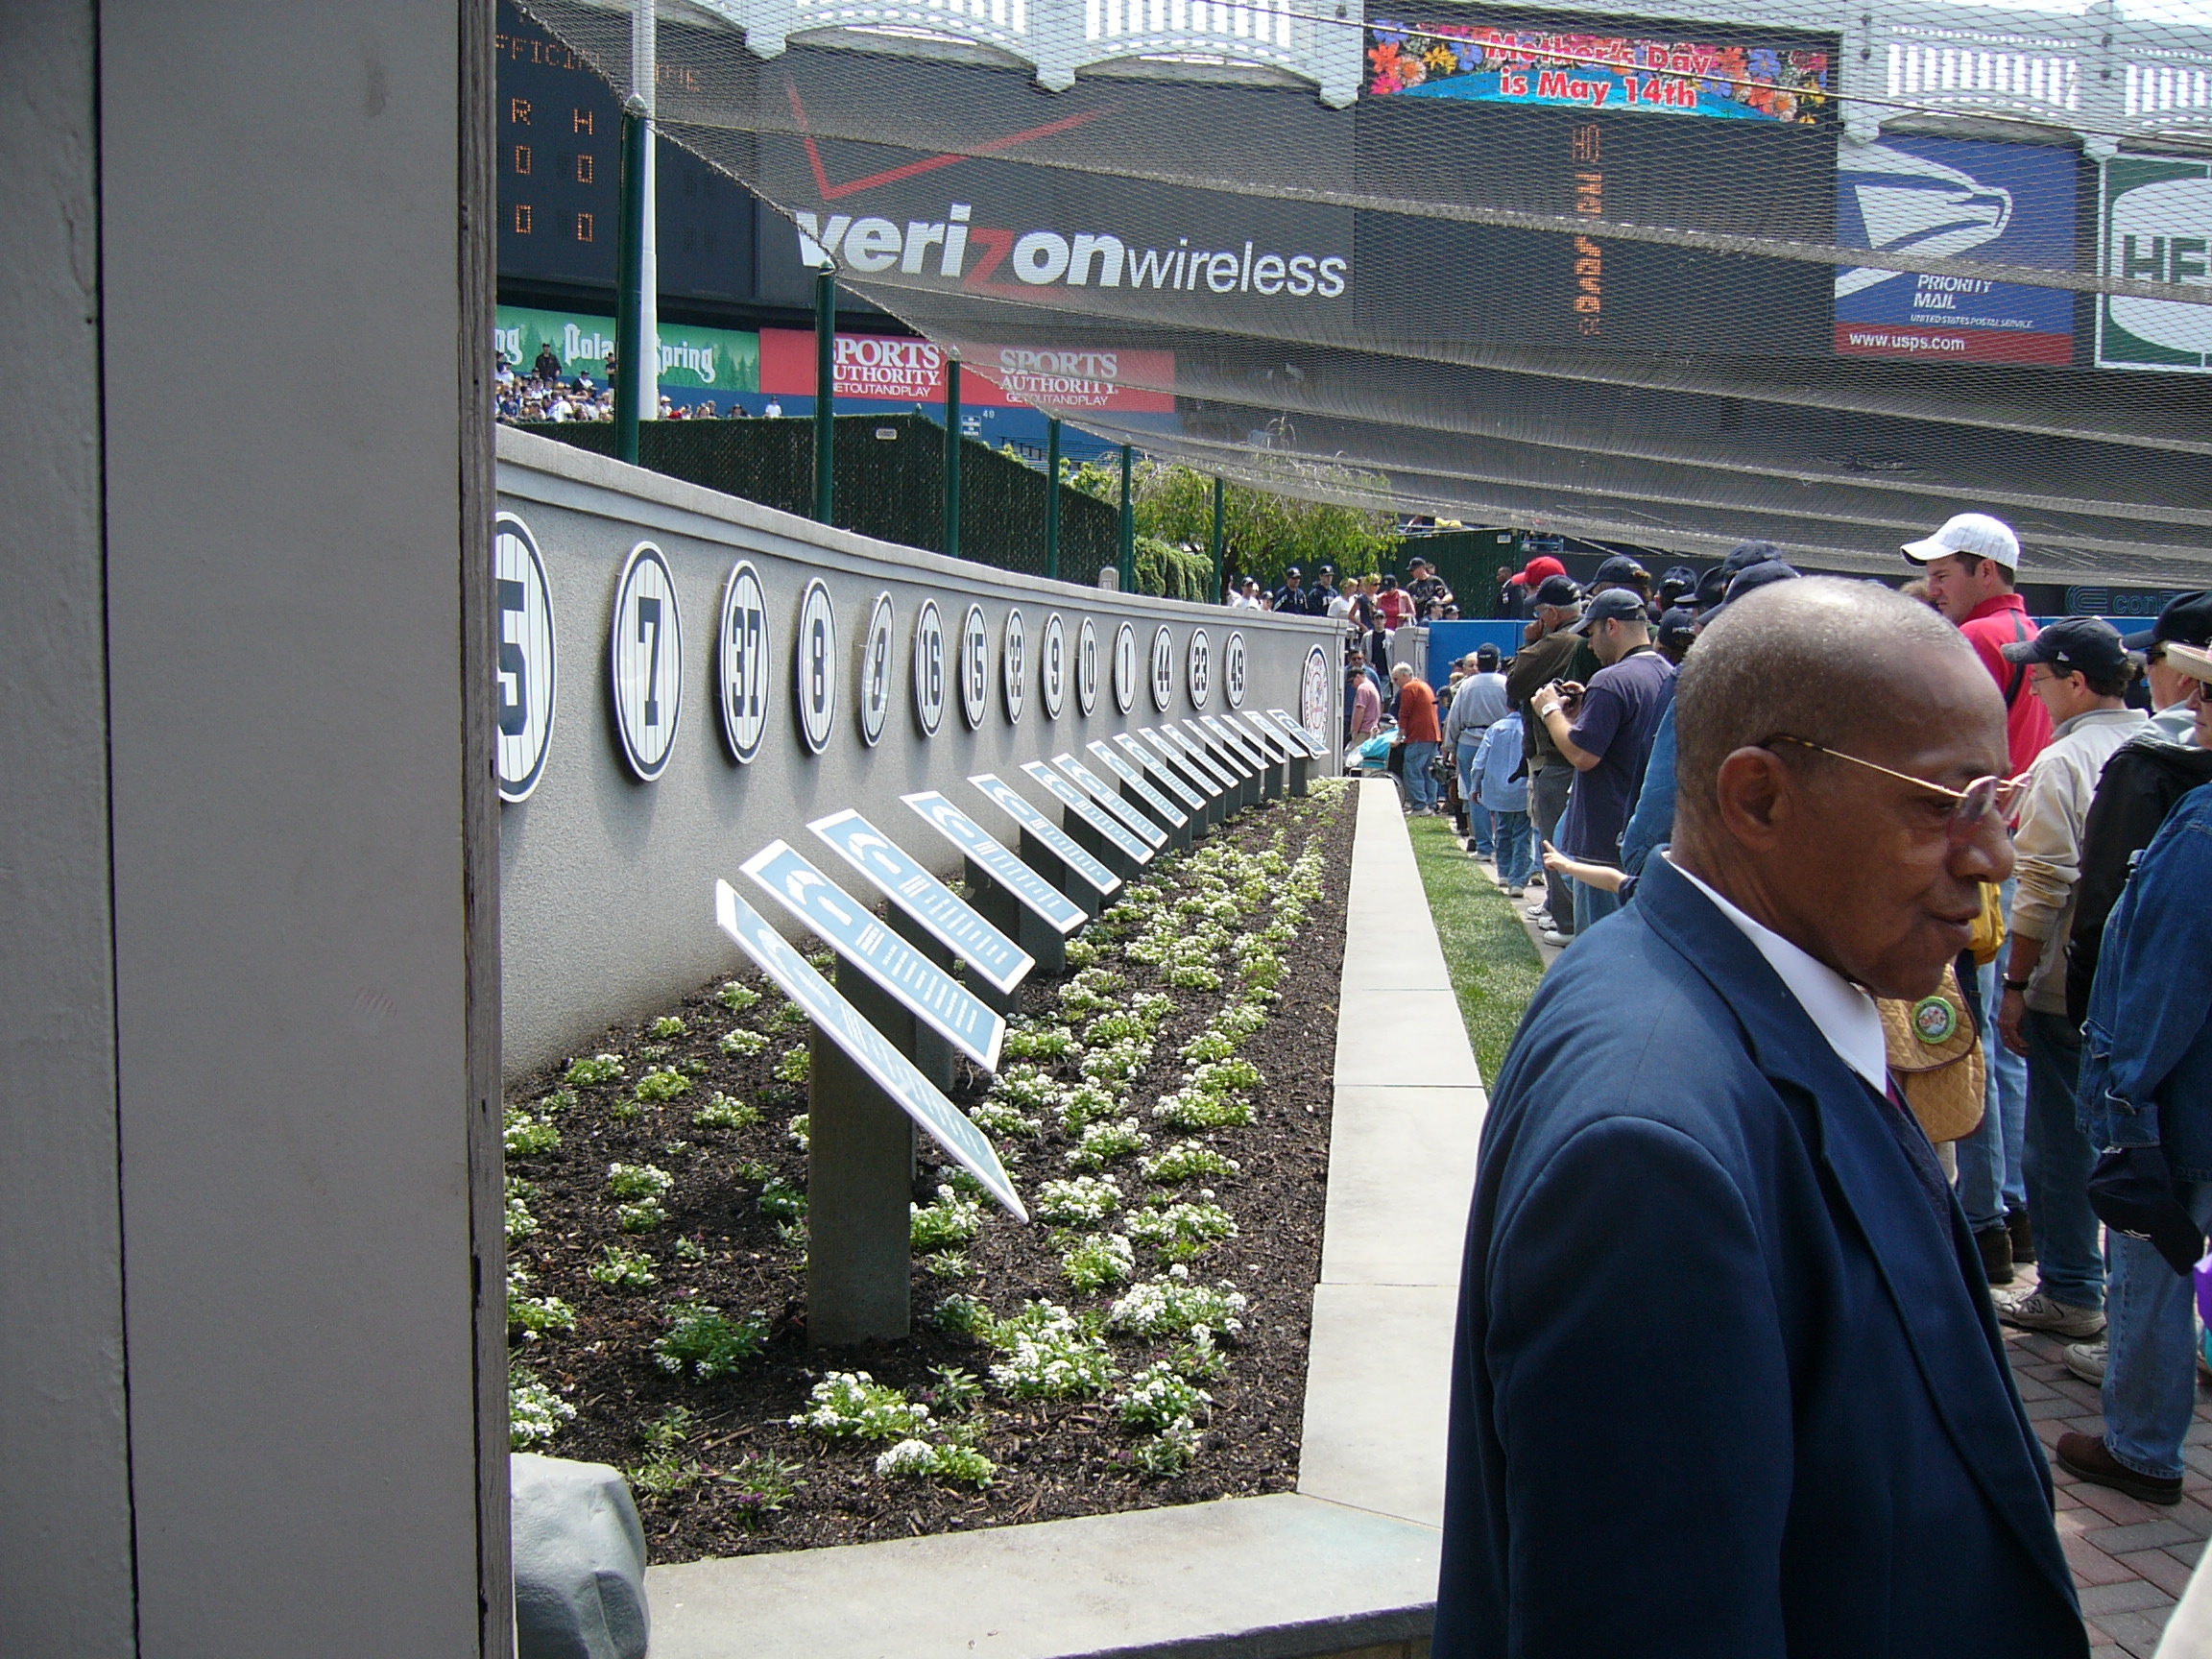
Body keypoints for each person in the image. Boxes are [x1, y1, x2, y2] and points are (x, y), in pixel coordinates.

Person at [1433, 577, 2084, 1659]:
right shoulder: (1649, 1157)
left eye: (1996, 802)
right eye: (1942, 805)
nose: (1992, 859)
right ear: (1761, 798)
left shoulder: (1729, 986)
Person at [2060, 640, 2212, 1505]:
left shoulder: (2202, 824)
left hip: (2184, 1101)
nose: (2195, 708)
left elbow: (2166, 981)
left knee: (2151, 1270)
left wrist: (2126, 1106)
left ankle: (2144, 1448)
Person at [1985, 617, 2147, 1341]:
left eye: (2042, 678)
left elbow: (2043, 887)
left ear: (2077, 682)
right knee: (2130, 1144)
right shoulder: (2162, 741)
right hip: (2138, 985)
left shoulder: (2065, 760)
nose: (2036, 692)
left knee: (2059, 1143)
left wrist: (2016, 985)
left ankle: (2072, 1289)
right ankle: (2115, 1293)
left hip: (2066, 983)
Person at [1909, 513, 2047, 1285]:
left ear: (1985, 571)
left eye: (1943, 573)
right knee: (1996, 1042)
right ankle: (2014, 1210)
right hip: (2015, 855)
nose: (1934, 588)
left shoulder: (1975, 641)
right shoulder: (2031, 635)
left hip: (1971, 856)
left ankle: (1984, 1220)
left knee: (1962, 1038)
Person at [2064, 591, 2212, 1032]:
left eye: (2154, 658)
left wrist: (2090, 1016)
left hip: (2148, 1024)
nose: (2146, 671)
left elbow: (2104, 909)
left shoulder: (2152, 771)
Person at [1527, 589, 1678, 940]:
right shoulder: (1669, 675)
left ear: (1612, 626)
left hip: (1602, 842)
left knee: (1600, 946)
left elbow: (1582, 756)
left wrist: (1549, 710)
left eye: (1592, 632)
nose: (1590, 645)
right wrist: (1585, 713)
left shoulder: (1610, 680)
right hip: (1645, 838)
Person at [1505, 575, 1593, 936]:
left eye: (1539, 612)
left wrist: (1532, 642)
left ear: (1552, 614)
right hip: (1586, 751)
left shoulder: (1558, 640)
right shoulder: (1585, 637)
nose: (1537, 619)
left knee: (1555, 839)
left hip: (1558, 756)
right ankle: (1564, 911)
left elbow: (1514, 684)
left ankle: (1566, 918)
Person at [1445, 647, 1509, 854]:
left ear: (1479, 663)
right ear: (1497, 662)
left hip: (1470, 741)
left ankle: (1483, 847)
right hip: (1500, 741)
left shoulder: (1467, 685)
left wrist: (1450, 747)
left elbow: (1454, 719)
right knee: (1501, 793)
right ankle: (1502, 845)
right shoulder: (1505, 684)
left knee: (1475, 794)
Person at [1473, 709, 1533, 895]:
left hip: (1499, 789)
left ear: (1508, 707)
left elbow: (1479, 762)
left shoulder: (1495, 729)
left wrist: (1476, 785)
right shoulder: (1529, 728)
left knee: (1502, 830)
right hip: (1523, 788)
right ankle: (1518, 880)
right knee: (1523, 835)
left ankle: (1504, 873)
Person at [1391, 662, 1442, 813]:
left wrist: (1399, 737)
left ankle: (1420, 806)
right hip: (1433, 735)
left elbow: (1404, 714)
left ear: (1405, 676)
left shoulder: (1409, 688)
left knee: (1412, 770)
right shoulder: (1425, 686)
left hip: (1419, 736)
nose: (1395, 683)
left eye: (1396, 679)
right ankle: (1431, 804)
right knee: (1429, 772)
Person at [1349, 653, 1383, 740]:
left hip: (1364, 731)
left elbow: (1360, 710)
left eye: (1352, 681)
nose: (1352, 685)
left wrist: (1355, 732)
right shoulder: (1371, 686)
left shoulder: (1363, 688)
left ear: (1357, 677)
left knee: (1353, 749)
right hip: (1373, 729)